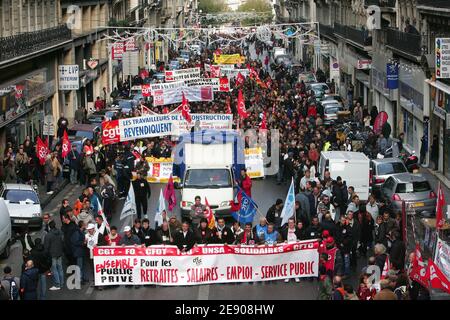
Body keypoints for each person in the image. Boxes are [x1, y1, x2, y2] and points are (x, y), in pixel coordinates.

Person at [44, 221, 64, 291]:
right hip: (59, 253)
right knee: (60, 268)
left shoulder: (48, 235)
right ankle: (61, 283)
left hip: (52, 254)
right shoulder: (60, 232)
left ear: (49, 227)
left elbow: (46, 247)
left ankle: (57, 284)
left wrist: (46, 255)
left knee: (54, 269)